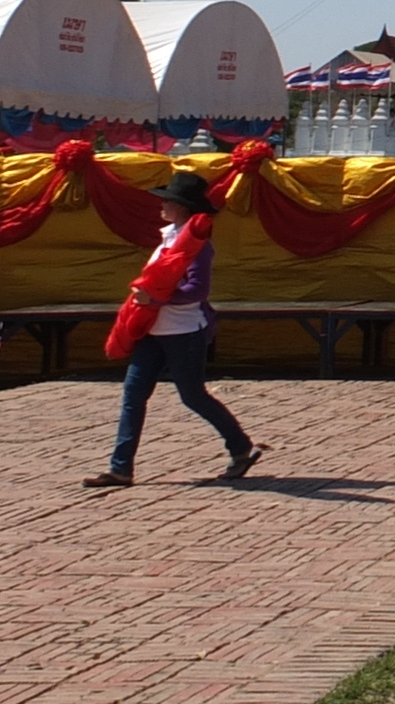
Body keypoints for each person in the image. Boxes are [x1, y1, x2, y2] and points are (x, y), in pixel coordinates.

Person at [84, 172, 262, 488]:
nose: (162, 205)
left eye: (168, 201)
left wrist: (156, 298)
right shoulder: (171, 238)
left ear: (182, 207)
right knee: (133, 395)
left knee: (192, 396)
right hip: (155, 330)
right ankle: (120, 468)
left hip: (182, 331)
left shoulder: (197, 245)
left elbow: (197, 289)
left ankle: (240, 447)